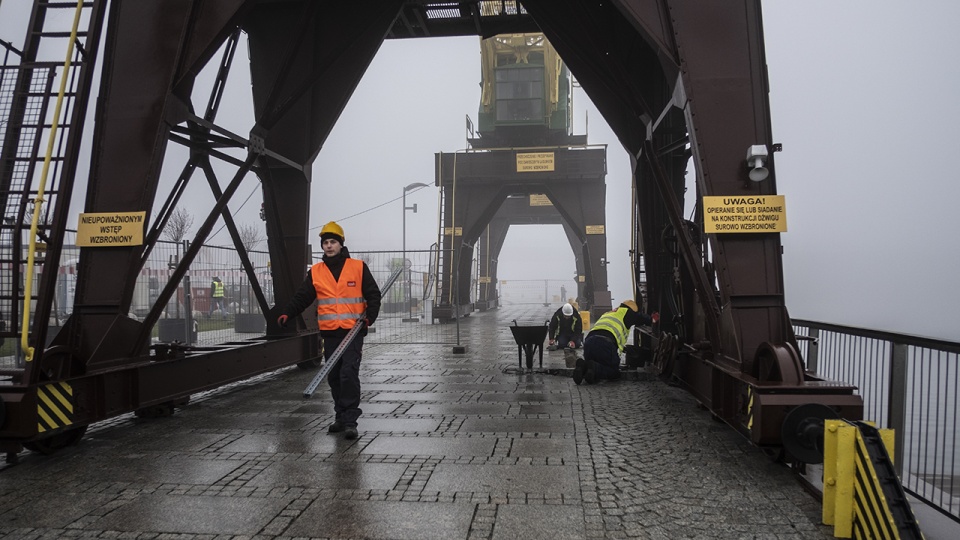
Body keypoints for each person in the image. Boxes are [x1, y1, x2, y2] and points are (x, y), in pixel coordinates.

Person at [277, 221, 381, 440]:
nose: (329, 246)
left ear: (341, 244)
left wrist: (369, 317)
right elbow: (303, 297)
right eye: (325, 242)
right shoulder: (316, 271)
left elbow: (373, 294)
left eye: (333, 242)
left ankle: (351, 420)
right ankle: (340, 417)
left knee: (348, 374)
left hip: (352, 332)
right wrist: (288, 313)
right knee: (333, 376)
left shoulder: (358, 267)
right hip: (330, 333)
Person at [573, 300, 659, 385]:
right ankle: (594, 368)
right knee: (614, 372)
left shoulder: (608, 313)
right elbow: (640, 317)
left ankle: (583, 365)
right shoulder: (627, 312)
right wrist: (652, 319)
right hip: (605, 343)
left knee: (595, 362)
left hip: (589, 342)